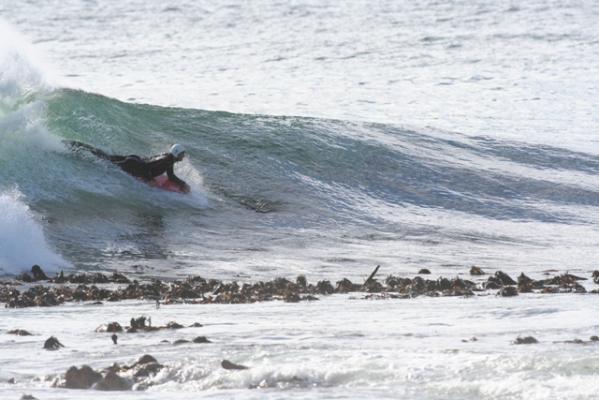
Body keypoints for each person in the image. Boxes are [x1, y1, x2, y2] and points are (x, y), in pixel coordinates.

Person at [68, 141, 190, 193]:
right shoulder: (166, 161)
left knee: (105, 157)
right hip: (133, 164)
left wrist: (182, 184)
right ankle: (80, 153)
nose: (183, 157)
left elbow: (171, 175)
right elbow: (147, 168)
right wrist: (150, 180)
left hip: (135, 159)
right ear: (177, 153)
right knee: (104, 162)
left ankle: (78, 146)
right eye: (182, 154)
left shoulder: (167, 158)